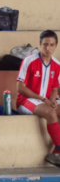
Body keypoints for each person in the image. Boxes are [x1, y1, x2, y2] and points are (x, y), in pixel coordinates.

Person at [16, 30, 60, 167]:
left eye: (51, 45)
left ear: (56, 46)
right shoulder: (29, 60)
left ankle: (55, 153)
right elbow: (20, 88)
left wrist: (52, 99)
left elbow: (54, 89)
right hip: (25, 101)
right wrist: (43, 99)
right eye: (45, 45)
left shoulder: (57, 65)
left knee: (53, 108)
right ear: (40, 44)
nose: (48, 48)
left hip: (45, 101)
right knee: (50, 112)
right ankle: (59, 148)